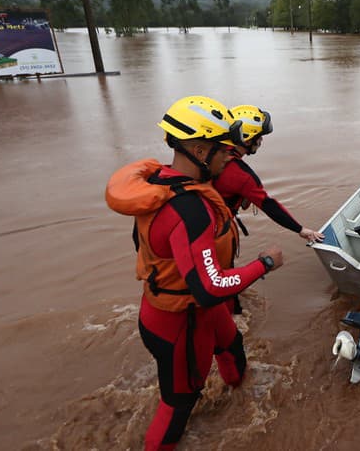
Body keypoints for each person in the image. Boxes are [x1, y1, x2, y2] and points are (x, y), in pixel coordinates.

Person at [105, 95, 284, 450]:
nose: (230, 158)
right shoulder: (190, 210)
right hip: (179, 322)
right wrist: (264, 264)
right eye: (224, 151)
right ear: (201, 151)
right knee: (178, 404)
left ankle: (240, 398)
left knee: (232, 346)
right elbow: (210, 286)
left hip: (191, 310)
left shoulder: (161, 182)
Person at [213, 105, 324, 244]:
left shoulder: (211, 155)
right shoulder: (243, 175)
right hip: (216, 232)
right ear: (247, 140)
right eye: (259, 137)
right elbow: (268, 205)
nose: (261, 141)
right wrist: (300, 230)